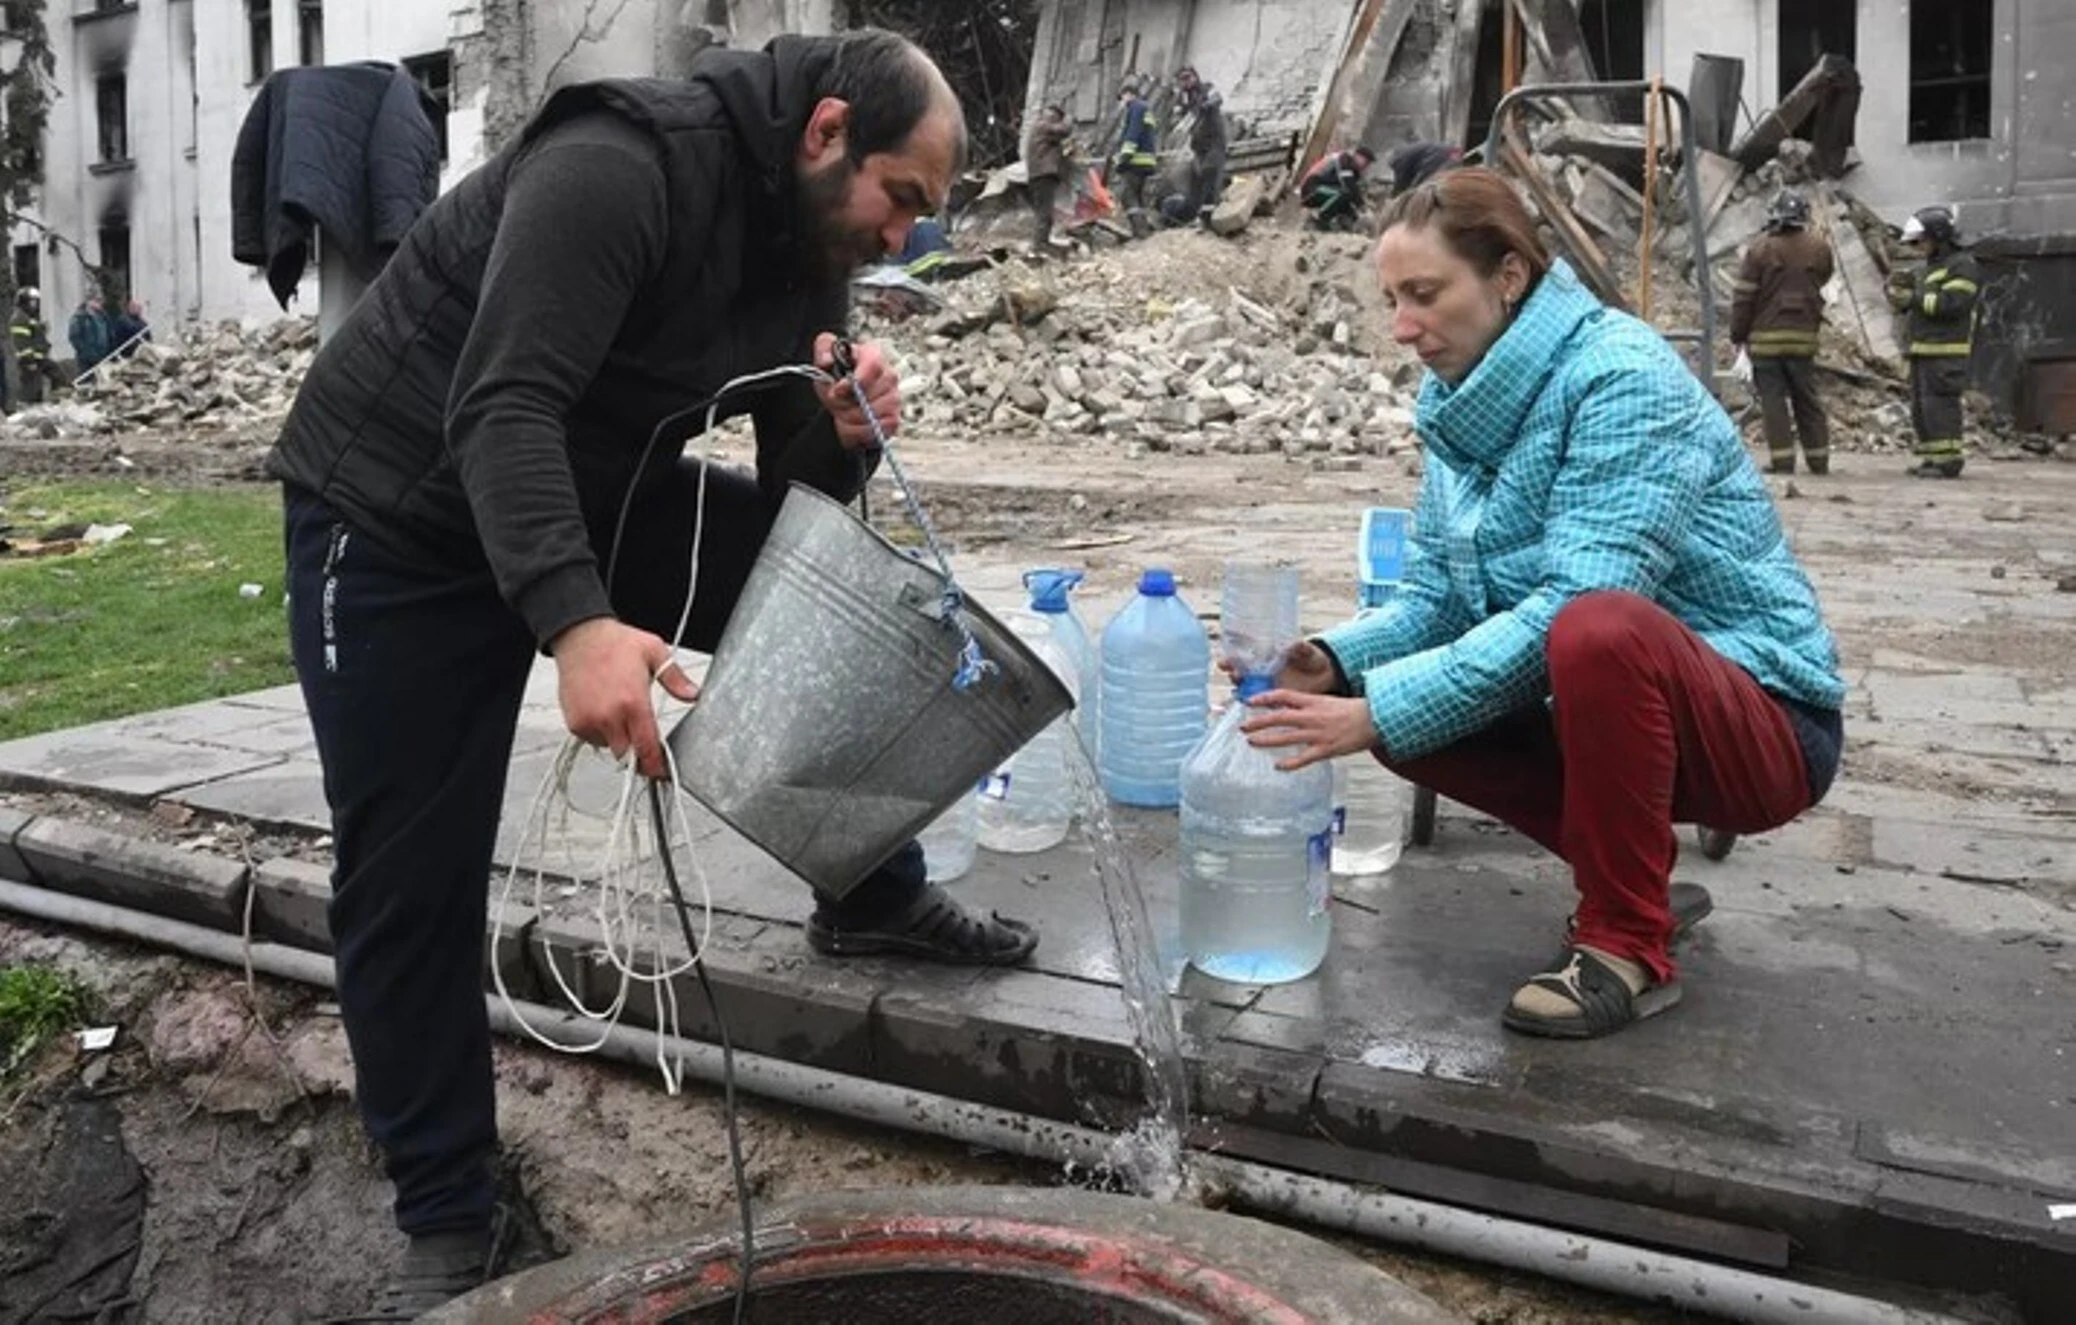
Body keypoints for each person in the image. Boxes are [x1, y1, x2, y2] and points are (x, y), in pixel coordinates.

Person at [264, 30, 1039, 1316]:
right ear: (826, 130)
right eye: (902, 197)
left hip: (588, 486)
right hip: (397, 510)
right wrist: (578, 625)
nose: (903, 237)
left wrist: (841, 435)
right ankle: (450, 1211)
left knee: (832, 595)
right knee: (408, 872)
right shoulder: (616, 166)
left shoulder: (813, 238)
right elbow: (499, 405)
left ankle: (871, 888)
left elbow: (799, 503)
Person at [1240, 168, 1845, 1041]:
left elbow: (1584, 601)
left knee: (1593, 628)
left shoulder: (1621, 378)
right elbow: (1436, 597)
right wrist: (1335, 662)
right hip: (1612, 707)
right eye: (1392, 299)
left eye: (1425, 294)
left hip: (1762, 719)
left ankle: (1627, 943)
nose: (1402, 327)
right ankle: (1637, 880)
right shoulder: (1463, 408)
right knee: (1404, 707)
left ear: (1509, 277)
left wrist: (1379, 707)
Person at [1730, 189, 1833, 475]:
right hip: (1804, 339)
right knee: (1807, 399)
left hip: (1766, 342)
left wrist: (1738, 335)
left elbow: (1744, 298)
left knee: (1773, 402)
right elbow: (1825, 277)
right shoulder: (1819, 247)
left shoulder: (1760, 249)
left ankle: (1783, 461)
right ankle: (1819, 460)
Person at [1886, 204, 1979, 478]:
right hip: (1924, 348)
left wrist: (1913, 299)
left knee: (1940, 406)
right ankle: (1931, 458)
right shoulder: (1932, 267)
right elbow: (1924, 301)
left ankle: (1948, 461)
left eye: (1921, 241)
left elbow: (1954, 304)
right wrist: (1901, 296)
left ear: (1939, 237)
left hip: (1945, 351)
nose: (1918, 247)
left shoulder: (1963, 266)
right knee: (1922, 407)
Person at [1175, 66, 1226, 223]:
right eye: (1182, 79)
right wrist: (1181, 112)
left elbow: (1218, 98)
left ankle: (1208, 215)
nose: (1186, 82)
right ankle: (1195, 214)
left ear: (1195, 76)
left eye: (1188, 77)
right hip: (1198, 145)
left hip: (1214, 140)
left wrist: (1206, 105)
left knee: (1210, 171)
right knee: (1197, 177)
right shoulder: (1184, 97)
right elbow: (1179, 114)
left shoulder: (1207, 88)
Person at [1109, 79, 1160, 236]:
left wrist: (1123, 158)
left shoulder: (1136, 107)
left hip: (1135, 160)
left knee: (1127, 195)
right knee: (1137, 195)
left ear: (1129, 94)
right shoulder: (1146, 109)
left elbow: (1133, 134)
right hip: (1147, 160)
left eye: (1122, 98)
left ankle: (1140, 231)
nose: (1121, 102)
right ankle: (1145, 226)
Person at [1024, 103, 1072, 250]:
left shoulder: (1040, 126)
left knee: (1045, 213)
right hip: (1042, 174)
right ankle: (1037, 247)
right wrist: (1068, 120)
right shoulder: (1044, 126)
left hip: (1039, 174)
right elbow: (1064, 131)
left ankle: (1042, 244)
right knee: (1044, 213)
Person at [1299, 144, 1375, 230]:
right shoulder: (1344, 160)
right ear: (1358, 156)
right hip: (1311, 189)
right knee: (1345, 193)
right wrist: (1362, 207)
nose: (1366, 166)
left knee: (1347, 200)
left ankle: (1337, 223)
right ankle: (1319, 218)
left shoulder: (1353, 170)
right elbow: (1349, 185)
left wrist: (1356, 217)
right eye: (1366, 162)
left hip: (1324, 188)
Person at [9, 287, 53, 404]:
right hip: (30, 362)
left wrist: (41, 328)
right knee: (31, 393)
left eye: (36, 301)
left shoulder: (27, 318)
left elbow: (34, 335)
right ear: (23, 302)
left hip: (39, 360)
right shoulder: (19, 319)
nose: (35, 305)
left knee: (57, 379)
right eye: (32, 301)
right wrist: (29, 361)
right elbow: (21, 342)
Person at [1386, 140, 1462, 194]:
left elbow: (1401, 183)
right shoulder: (1408, 151)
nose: (1393, 169)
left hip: (1439, 158)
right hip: (1453, 153)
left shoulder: (1399, 159)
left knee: (1420, 189)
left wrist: (1393, 197)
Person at [69, 294, 113, 378]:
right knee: (86, 380)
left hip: (103, 356)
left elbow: (109, 334)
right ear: (89, 301)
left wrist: (110, 350)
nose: (100, 303)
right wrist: (87, 353)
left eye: (101, 300)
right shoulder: (79, 317)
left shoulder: (104, 317)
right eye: (97, 300)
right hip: (86, 360)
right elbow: (74, 338)